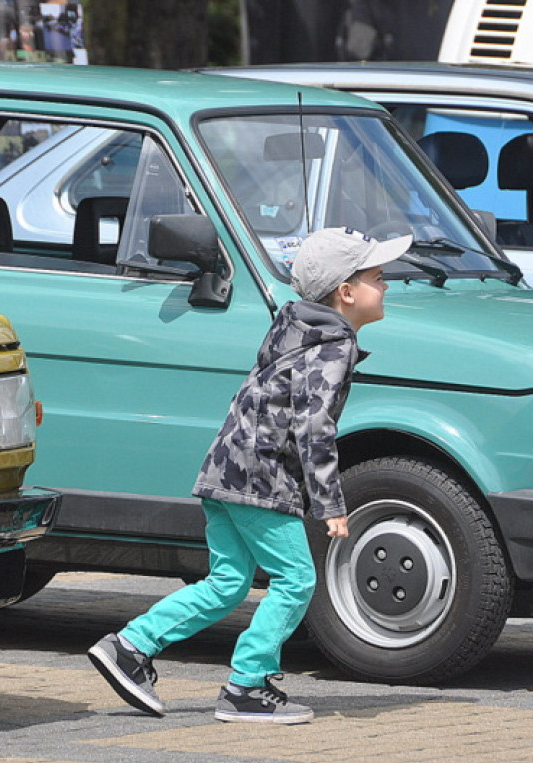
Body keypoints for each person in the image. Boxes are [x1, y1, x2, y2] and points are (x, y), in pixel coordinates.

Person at [87, 226, 411, 725]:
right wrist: (331, 503)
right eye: (378, 276)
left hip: (225, 468)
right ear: (346, 293)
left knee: (228, 582)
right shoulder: (333, 344)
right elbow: (314, 428)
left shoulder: (297, 325)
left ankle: (129, 647)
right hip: (263, 479)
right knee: (297, 579)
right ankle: (248, 685)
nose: (387, 285)